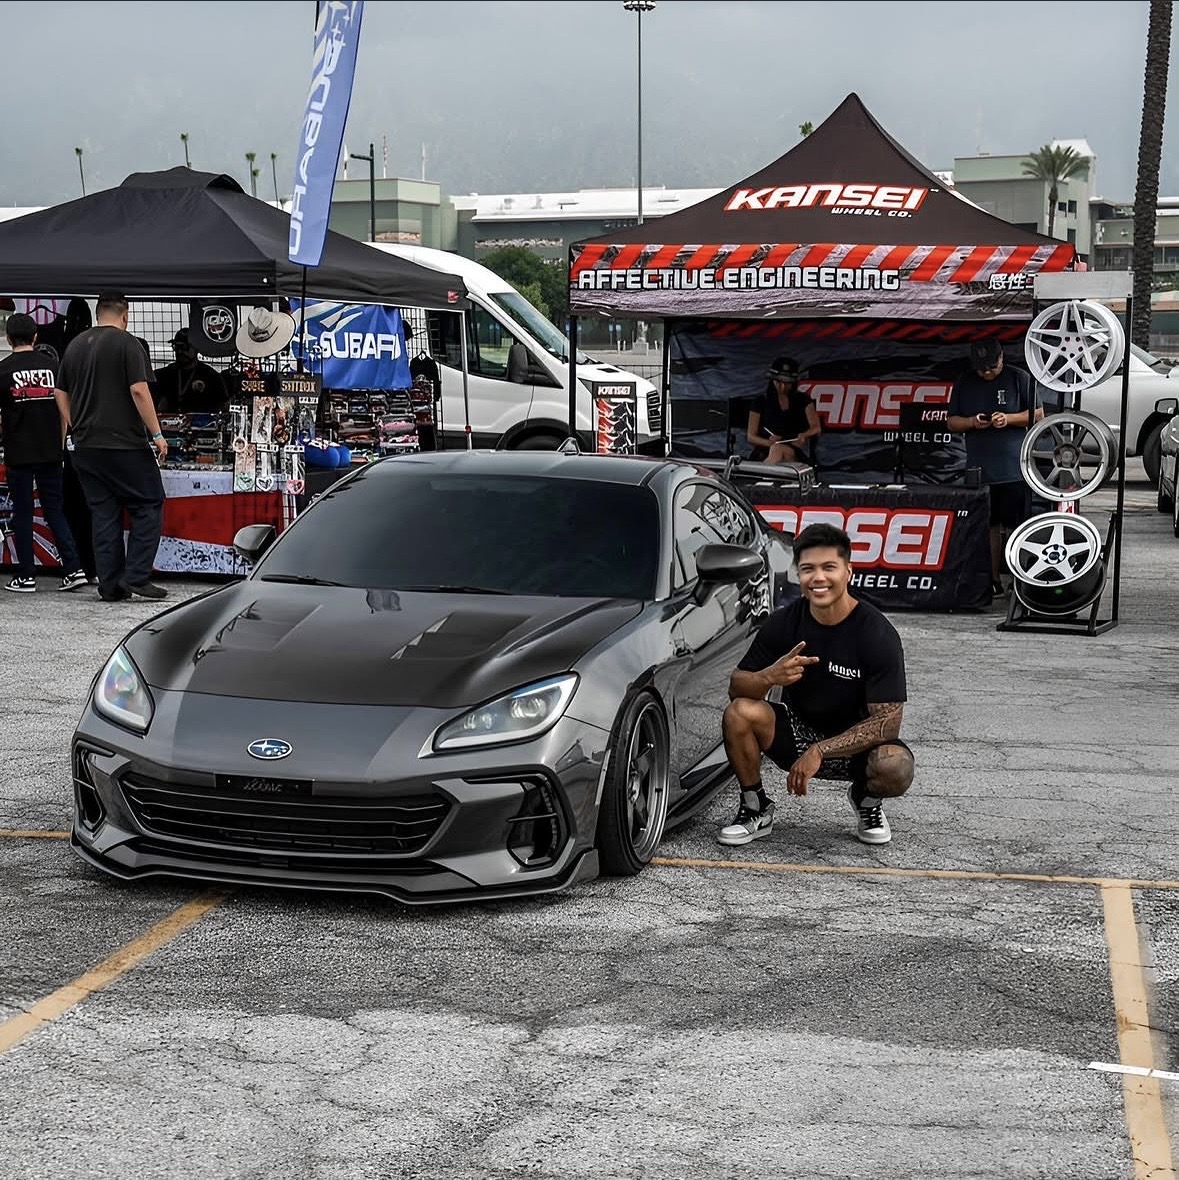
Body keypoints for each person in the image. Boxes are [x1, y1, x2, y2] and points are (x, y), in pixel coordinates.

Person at [718, 522, 914, 848]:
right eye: (808, 569)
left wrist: (820, 750)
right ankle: (755, 807)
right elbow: (736, 688)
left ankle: (866, 802)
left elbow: (888, 724)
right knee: (739, 713)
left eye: (829, 568)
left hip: (856, 745)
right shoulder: (785, 622)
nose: (818, 578)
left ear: (849, 571)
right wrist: (769, 677)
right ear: (799, 575)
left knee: (894, 766)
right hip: (797, 729)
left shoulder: (876, 633)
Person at [53, 291, 169, 602]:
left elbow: (59, 392)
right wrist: (157, 434)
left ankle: (110, 585)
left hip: (86, 446)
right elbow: (139, 391)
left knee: (103, 514)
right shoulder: (128, 344)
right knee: (149, 503)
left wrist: (74, 424)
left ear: (97, 312)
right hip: (125, 444)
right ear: (125, 314)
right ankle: (137, 576)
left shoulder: (75, 345)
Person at [946, 339, 1044, 597]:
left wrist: (1008, 418)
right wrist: (971, 421)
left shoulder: (1018, 378)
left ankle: (1019, 578)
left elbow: (1038, 415)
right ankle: (991, 581)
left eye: (991, 367)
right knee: (987, 526)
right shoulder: (965, 382)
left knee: (1017, 525)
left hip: (1013, 468)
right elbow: (952, 422)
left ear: (1002, 357)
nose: (987, 373)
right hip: (979, 467)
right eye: (981, 369)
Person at [0, 314, 88, 593]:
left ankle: (26, 576)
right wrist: (61, 445)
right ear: (36, 337)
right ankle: (74, 569)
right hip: (52, 452)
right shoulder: (55, 367)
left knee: (23, 513)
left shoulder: (3, 371)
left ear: (8, 338)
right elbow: (67, 412)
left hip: (19, 453)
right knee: (55, 511)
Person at [746, 355, 821, 464]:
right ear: (772, 380)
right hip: (766, 449)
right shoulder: (760, 401)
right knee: (776, 450)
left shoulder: (803, 400)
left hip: (793, 450)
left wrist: (804, 435)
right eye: (778, 382)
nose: (782, 387)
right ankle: (766, 475)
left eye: (787, 383)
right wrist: (770, 443)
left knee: (778, 450)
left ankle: (761, 475)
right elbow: (751, 436)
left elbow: (816, 427)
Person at [152, 328, 227, 414]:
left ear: (197, 348)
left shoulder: (210, 376)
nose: (180, 351)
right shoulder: (163, 375)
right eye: (176, 347)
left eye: (184, 347)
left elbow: (223, 405)